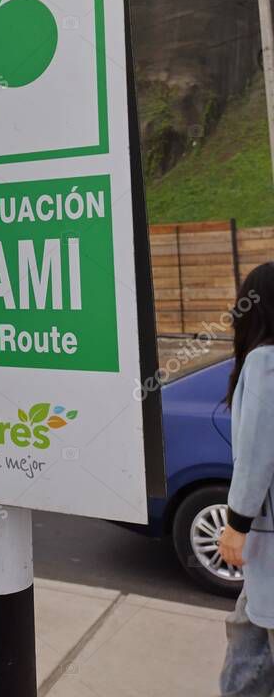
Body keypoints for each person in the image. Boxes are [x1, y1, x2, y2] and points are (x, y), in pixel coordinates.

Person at [218, 262, 274, 696]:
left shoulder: (265, 361)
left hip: (265, 538)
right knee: (245, 634)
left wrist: (236, 525)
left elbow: (255, 453)